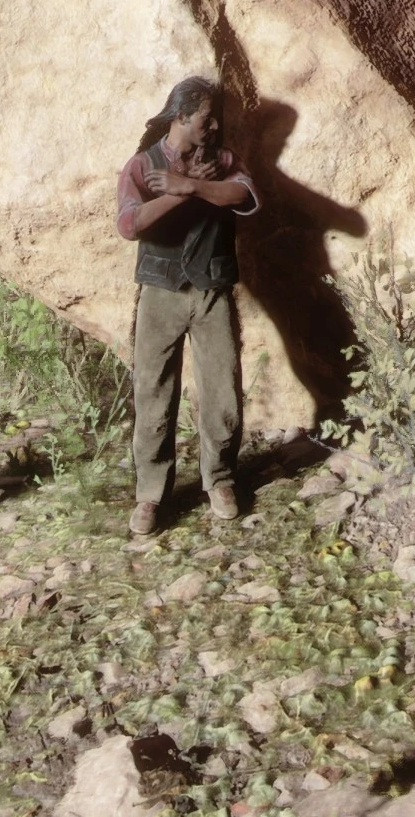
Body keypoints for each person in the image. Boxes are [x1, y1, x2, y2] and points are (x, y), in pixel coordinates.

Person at [113, 77, 260, 537]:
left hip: (212, 290)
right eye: (205, 118)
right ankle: (150, 494)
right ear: (179, 116)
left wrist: (191, 186)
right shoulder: (142, 164)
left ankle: (220, 479)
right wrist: (176, 192)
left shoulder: (224, 161)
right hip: (160, 292)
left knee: (222, 388)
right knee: (153, 392)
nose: (214, 127)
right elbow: (129, 224)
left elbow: (244, 196)